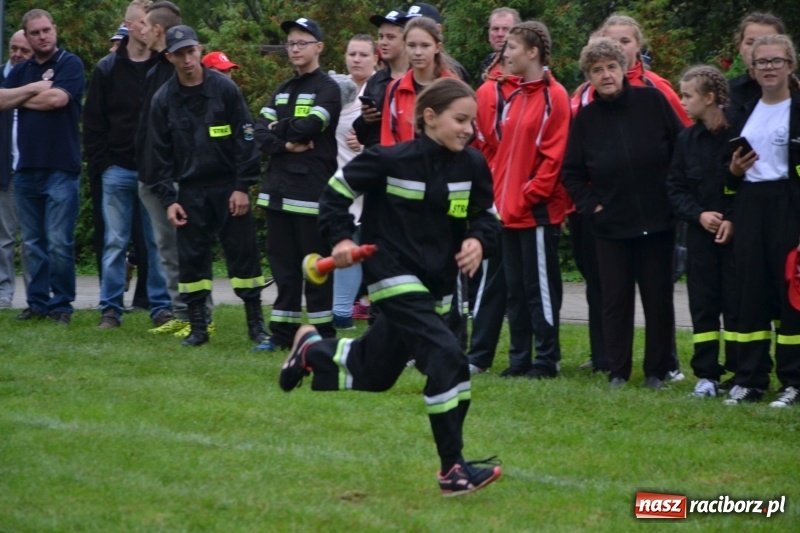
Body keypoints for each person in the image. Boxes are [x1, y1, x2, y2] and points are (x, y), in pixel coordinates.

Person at [279, 77, 502, 496]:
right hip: (391, 273)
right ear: (430, 117)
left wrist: (477, 240)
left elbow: (487, 217)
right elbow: (334, 195)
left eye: (472, 122)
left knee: (373, 371)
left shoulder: (471, 165)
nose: (468, 130)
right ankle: (452, 470)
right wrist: (342, 238)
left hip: (439, 287)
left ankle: (311, 351)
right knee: (447, 356)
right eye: (460, 120)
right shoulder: (388, 159)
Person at [562, 38, 684, 390]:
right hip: (610, 225)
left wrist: (673, 197)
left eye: (611, 67)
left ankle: (656, 371)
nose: (606, 75)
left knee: (658, 298)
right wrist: (591, 205)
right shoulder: (586, 118)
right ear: (589, 77)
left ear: (622, 69)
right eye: (597, 70)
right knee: (615, 301)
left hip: (658, 221)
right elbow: (570, 172)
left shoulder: (653, 101)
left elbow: (682, 147)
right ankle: (618, 371)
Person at [147, 25, 269, 347]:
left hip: (229, 187)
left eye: (191, 51)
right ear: (169, 57)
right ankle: (198, 328)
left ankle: (256, 326)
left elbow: (246, 138)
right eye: (179, 54)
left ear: (199, 49)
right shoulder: (163, 99)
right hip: (188, 191)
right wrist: (168, 198)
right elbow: (157, 154)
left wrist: (243, 186)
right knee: (192, 260)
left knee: (244, 258)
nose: (187, 59)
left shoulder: (225, 89)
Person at [84, 0, 173, 330]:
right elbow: (93, 122)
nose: (150, 28)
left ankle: (161, 308)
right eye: (144, 23)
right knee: (115, 242)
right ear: (131, 25)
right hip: (117, 169)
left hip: (153, 171)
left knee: (156, 241)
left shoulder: (164, 67)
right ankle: (110, 309)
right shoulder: (108, 68)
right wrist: (104, 164)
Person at [254, 17, 341, 348]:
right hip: (276, 194)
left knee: (315, 269)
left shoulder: (328, 88)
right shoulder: (283, 89)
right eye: (291, 43)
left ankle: (323, 334)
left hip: (310, 194)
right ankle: (281, 335)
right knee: (284, 268)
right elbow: (259, 132)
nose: (295, 48)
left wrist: (281, 129)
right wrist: (284, 142)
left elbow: (311, 126)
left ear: (318, 47)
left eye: (302, 42)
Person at [489, 21, 569, 379]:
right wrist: (499, 201)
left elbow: (553, 160)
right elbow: (504, 154)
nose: (505, 54)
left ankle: (546, 359)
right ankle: (519, 358)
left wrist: (525, 198)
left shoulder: (556, 96)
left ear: (532, 52)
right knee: (515, 292)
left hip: (535, 214)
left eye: (512, 48)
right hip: (507, 213)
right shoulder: (516, 96)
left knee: (540, 292)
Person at [724, 34, 800, 407]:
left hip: (788, 204)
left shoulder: (797, 109)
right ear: (751, 69)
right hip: (751, 204)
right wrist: (734, 171)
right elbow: (726, 172)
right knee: (750, 292)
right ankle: (750, 379)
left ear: (791, 65)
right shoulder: (744, 110)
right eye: (762, 62)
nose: (769, 68)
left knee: (791, 294)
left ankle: (793, 381)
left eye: (777, 61)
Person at [0, 9, 85, 325]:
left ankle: (61, 305)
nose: (42, 36)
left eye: (46, 30)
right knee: (33, 243)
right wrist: (36, 89)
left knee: (59, 241)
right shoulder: (21, 70)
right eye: (34, 33)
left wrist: (19, 98)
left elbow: (58, 101)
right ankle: (37, 303)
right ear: (26, 35)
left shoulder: (69, 64)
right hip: (25, 169)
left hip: (61, 167)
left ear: (55, 29)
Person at [136, 1, 216, 338]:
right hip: (151, 175)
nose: (135, 29)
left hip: (177, 178)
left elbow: (187, 130)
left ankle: (202, 316)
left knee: (189, 248)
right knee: (166, 249)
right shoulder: (157, 69)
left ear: (156, 30)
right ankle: (181, 311)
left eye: (141, 24)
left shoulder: (183, 74)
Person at [667, 65, 738, 398]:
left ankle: (742, 374)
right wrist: (698, 216)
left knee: (738, 305)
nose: (682, 101)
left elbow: (751, 184)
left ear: (709, 98)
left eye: (688, 95)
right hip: (700, 237)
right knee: (703, 306)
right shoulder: (686, 139)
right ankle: (707, 375)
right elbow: (675, 188)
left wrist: (731, 218)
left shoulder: (739, 134)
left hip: (737, 237)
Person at [466, 46, 518, 374]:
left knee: (528, 285)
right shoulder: (489, 91)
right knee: (492, 279)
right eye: (506, 50)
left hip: (528, 200)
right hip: (497, 195)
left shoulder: (543, 92)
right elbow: (488, 144)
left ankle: (535, 358)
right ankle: (479, 355)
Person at [331, 35, 377, 330]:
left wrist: (367, 147)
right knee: (347, 246)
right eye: (352, 53)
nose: (356, 59)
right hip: (339, 183)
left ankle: (370, 306)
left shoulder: (379, 91)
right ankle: (342, 312)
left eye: (363, 54)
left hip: (371, 184)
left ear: (376, 59)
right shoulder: (337, 88)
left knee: (369, 250)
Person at [381, 16, 457, 145]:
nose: (418, 52)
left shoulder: (453, 87)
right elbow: (388, 138)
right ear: (404, 46)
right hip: (404, 162)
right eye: (411, 45)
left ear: (437, 47)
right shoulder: (395, 88)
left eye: (425, 45)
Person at [0, 30, 32, 309]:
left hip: (32, 166)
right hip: (5, 169)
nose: (18, 54)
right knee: (4, 238)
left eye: (24, 49)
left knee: (33, 238)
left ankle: (36, 295)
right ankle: (4, 293)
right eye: (14, 48)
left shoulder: (40, 76)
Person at [351, 8, 407, 148]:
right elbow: (362, 137)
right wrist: (366, 120)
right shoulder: (375, 81)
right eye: (381, 37)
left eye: (390, 37)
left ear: (406, 40)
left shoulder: (418, 78)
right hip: (378, 160)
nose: (383, 42)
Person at [727, 12, 786, 124]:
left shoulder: (796, 91)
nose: (757, 50)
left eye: (767, 42)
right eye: (750, 43)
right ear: (740, 46)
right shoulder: (726, 94)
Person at [398, 3, 471, 84]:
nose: (418, 52)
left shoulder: (455, 74)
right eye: (407, 25)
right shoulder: (397, 85)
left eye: (425, 45)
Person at [476, 7, 520, 83]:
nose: (500, 34)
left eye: (506, 29)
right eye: (495, 29)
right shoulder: (487, 63)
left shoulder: (525, 66)